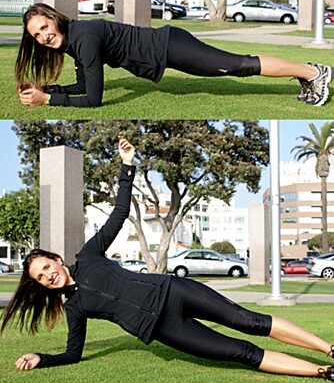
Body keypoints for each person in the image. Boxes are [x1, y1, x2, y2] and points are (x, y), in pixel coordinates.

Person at [1, 137, 334, 379]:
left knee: (249, 322)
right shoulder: (73, 308)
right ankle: (323, 371)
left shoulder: (87, 256)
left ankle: (329, 349)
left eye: (47, 268)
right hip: (165, 328)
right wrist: (42, 359)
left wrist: (127, 167)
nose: (48, 276)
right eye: (42, 278)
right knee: (241, 353)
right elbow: (73, 353)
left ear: (56, 259)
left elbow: (118, 215)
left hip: (173, 291)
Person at [15, 3, 332, 108]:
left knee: (238, 65)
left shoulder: (83, 38)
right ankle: (308, 74)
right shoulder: (76, 41)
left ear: (55, 18)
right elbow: (84, 85)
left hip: (169, 46)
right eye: (37, 35)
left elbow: (94, 100)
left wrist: (48, 102)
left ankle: (312, 73)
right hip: (167, 48)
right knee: (237, 65)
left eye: (44, 27)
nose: (44, 36)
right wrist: (49, 91)